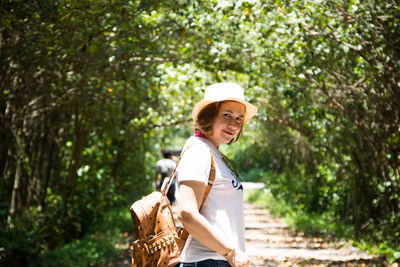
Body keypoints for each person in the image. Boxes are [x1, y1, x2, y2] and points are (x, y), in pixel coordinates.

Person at [175, 82, 257, 267]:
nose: (233, 124)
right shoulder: (199, 151)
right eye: (226, 115)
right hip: (207, 260)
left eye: (239, 118)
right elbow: (186, 213)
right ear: (209, 115)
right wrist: (230, 252)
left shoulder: (212, 152)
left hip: (217, 260)